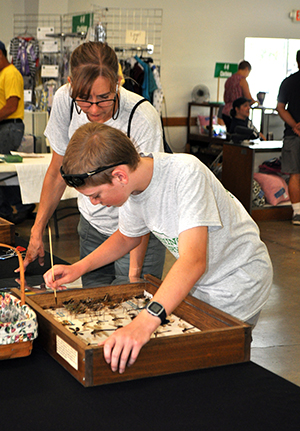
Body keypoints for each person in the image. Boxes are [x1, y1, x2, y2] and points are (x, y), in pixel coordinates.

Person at [44, 122, 273, 375]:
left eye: (96, 195)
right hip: (202, 282)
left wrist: (145, 321)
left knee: (219, 364)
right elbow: (127, 237)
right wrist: (78, 268)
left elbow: (193, 261)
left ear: (120, 175)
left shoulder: (186, 173)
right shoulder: (133, 186)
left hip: (239, 281)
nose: (95, 203)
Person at [21, 41, 166, 286]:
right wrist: (37, 229)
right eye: (85, 100)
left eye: (104, 98)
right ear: (70, 84)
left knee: (132, 307)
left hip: (139, 234)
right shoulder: (64, 101)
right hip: (92, 227)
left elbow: (146, 196)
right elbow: (57, 172)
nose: (95, 109)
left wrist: (134, 274)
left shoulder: (141, 117)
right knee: (93, 306)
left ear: (118, 83)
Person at [0, 40, 35, 224]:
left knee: (3, 170)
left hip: (9, 126)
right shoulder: (4, 74)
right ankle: (20, 206)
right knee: (4, 171)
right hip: (6, 126)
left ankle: (8, 211)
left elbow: (11, 105)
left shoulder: (11, 74)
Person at [276, 50, 300, 225]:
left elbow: (280, 108)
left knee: (295, 174)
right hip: (294, 133)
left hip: (293, 134)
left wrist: (295, 125)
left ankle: (297, 213)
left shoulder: (288, 82)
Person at [222, 60, 256, 132]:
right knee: (239, 134)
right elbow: (248, 98)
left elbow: (225, 98)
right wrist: (255, 102)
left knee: (230, 134)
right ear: (247, 69)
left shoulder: (229, 79)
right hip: (238, 113)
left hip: (226, 112)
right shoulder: (242, 80)